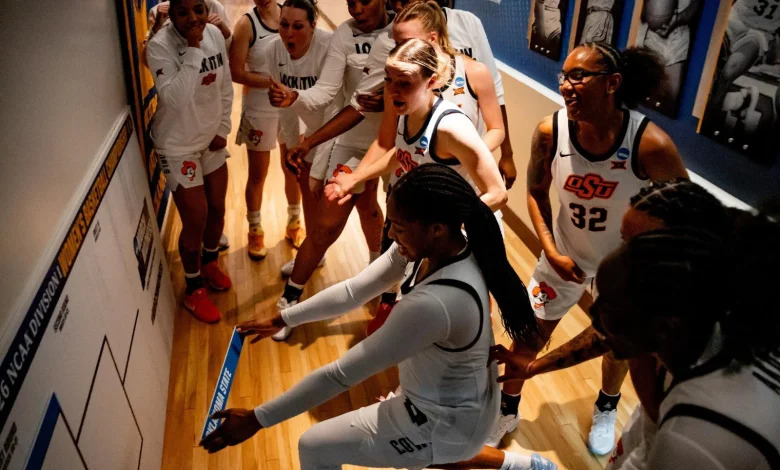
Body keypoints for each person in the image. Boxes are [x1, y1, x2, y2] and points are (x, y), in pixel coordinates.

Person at [200, 164, 555, 470]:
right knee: (437, 453)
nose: (390, 234)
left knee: (315, 445)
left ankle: (515, 462)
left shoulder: (436, 302)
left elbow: (340, 375)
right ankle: (521, 464)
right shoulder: (442, 246)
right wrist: (285, 317)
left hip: (446, 418)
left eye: (398, 227)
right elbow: (355, 291)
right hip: (455, 399)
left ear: (436, 228)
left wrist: (257, 419)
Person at [489, 42, 689, 454]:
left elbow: (688, 216)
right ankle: (506, 408)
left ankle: (606, 405)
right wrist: (551, 251)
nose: (566, 85)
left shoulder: (650, 145)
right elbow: (536, 193)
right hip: (563, 253)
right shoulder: (551, 131)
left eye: (579, 76)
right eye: (564, 76)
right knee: (526, 335)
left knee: (617, 348)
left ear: (612, 83)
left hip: (622, 268)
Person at [488, 179, 733, 468]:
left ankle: (606, 404)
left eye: (635, 246)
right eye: (623, 240)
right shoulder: (670, 303)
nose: (620, 255)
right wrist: (533, 368)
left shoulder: (705, 415)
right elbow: (609, 335)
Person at [589, 214, 780, 469]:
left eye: (609, 308)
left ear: (664, 327)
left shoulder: (693, 435)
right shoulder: (708, 320)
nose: (593, 316)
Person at [264, 0, 394, 284]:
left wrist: (387, 100)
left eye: (298, 26)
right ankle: (315, 259)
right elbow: (321, 94)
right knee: (322, 204)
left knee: (383, 211)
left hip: (389, 141)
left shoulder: (401, 30)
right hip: (342, 138)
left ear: (314, 25)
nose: (357, 10)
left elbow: (418, 84)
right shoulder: (342, 35)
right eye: (350, 2)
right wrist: (293, 137)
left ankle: (383, 275)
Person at [145, 0, 233, 323]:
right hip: (178, 145)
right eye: (184, 13)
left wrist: (223, 127)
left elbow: (225, 86)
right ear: (172, 14)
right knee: (196, 218)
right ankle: (194, 290)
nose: (194, 18)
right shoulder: (158, 46)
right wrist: (194, 48)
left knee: (218, 209)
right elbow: (175, 99)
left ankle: (209, 263)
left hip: (210, 139)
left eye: (199, 9)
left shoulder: (214, 35)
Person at [261, 0, 336, 339]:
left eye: (298, 26)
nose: (289, 33)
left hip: (338, 133)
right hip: (308, 136)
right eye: (284, 24)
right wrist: (293, 145)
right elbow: (283, 105)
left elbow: (327, 98)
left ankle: (385, 288)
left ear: (314, 25)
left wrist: (312, 140)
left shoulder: (329, 48)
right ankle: (312, 254)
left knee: (339, 213)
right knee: (308, 194)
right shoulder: (273, 51)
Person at [230, 0, 307, 259]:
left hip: (290, 107)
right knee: (257, 175)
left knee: (292, 168)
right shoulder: (246, 24)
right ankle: (255, 229)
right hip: (260, 110)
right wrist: (273, 83)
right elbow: (237, 72)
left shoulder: (292, 14)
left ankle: (294, 223)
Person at [635, 0, 702, 114]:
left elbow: (696, 5)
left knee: (668, 103)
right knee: (641, 96)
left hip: (679, 38)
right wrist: (653, 19)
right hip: (651, 36)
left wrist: (676, 20)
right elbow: (641, 10)